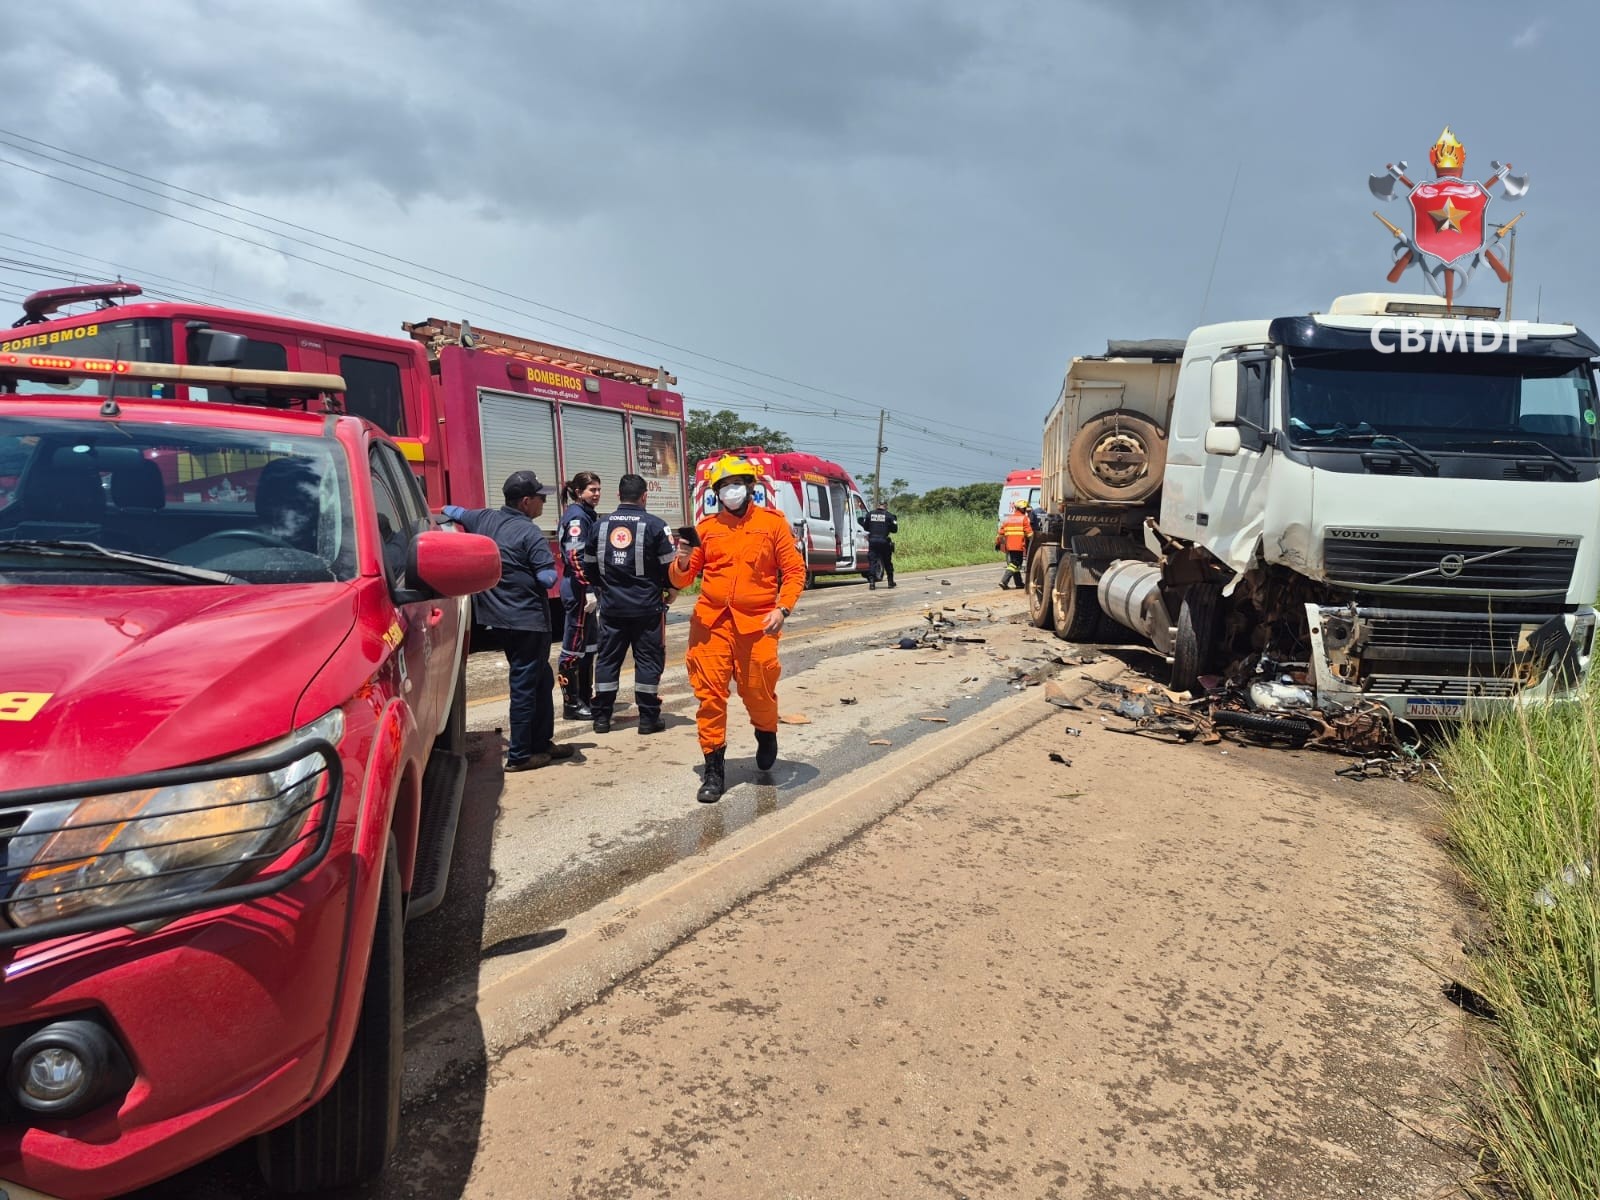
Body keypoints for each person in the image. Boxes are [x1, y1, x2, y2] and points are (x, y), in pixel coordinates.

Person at [669, 454, 805, 803]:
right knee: (709, 696)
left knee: (757, 690)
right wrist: (682, 559)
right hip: (711, 623)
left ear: (750, 487)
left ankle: (766, 731)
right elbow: (683, 578)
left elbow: (794, 572)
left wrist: (782, 609)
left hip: (758, 623)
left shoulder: (773, 524)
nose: (731, 491)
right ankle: (714, 770)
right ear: (715, 493)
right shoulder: (705, 529)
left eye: (736, 485)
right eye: (724, 486)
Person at [443, 471, 573, 771]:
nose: (543, 502)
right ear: (526, 502)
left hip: (498, 618)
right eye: (540, 498)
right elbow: (547, 577)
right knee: (526, 685)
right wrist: (551, 569)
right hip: (527, 622)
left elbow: (452, 511)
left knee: (540, 679)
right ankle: (520, 755)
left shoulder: (483, 518)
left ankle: (541, 743)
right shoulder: (529, 534)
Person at [583, 473, 676, 736]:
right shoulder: (656, 525)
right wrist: (672, 590)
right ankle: (648, 719)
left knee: (608, 661)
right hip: (647, 608)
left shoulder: (599, 526)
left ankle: (601, 718)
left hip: (612, 608)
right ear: (645, 496)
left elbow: (588, 567)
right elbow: (670, 568)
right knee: (647, 661)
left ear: (618, 496)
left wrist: (604, 588)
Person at [557, 471, 602, 720]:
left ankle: (585, 697)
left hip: (584, 588)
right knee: (573, 647)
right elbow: (575, 557)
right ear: (578, 492)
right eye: (591, 490)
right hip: (578, 589)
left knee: (589, 645)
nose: (596, 494)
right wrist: (589, 588)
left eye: (597, 489)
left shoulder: (586, 515)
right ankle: (571, 704)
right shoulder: (577, 517)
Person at [858, 500, 898, 590]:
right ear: (886, 506)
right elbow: (895, 530)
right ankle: (890, 582)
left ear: (878, 505)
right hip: (884, 541)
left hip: (872, 541)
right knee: (887, 561)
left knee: (873, 561)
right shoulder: (889, 515)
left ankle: (872, 583)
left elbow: (865, 527)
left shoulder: (870, 514)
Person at [996, 498, 1031, 589]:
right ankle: (1004, 581)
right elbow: (1029, 533)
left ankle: (1018, 583)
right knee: (1015, 563)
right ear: (1021, 509)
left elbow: (1000, 533)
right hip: (1018, 545)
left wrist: (998, 543)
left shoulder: (1008, 519)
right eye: (1025, 509)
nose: (1025, 511)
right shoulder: (1024, 519)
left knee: (1016, 565)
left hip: (1009, 546)